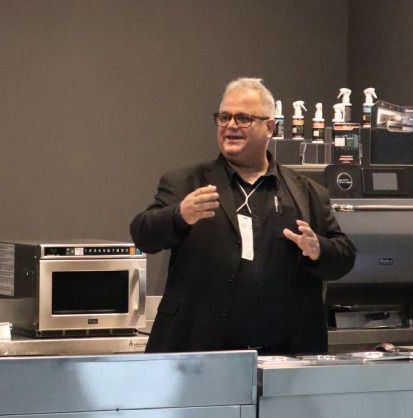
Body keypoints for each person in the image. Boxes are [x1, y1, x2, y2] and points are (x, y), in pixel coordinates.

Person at [130, 77, 355, 355]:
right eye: (224, 117)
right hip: (201, 354)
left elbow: (345, 256)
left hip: (285, 358)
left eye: (243, 118)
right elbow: (143, 234)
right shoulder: (185, 183)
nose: (231, 125)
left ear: (270, 127)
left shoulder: (306, 192)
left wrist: (319, 248)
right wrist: (179, 216)